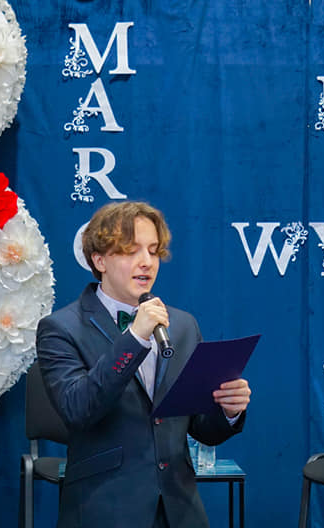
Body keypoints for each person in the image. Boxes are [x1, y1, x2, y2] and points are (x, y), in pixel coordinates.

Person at [36, 201, 251, 528]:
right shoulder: (61, 328)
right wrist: (135, 337)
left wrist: (228, 410)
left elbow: (201, 428)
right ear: (99, 260)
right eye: (130, 250)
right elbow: (79, 409)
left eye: (153, 251)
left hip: (179, 509)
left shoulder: (182, 325)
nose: (146, 262)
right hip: (104, 508)